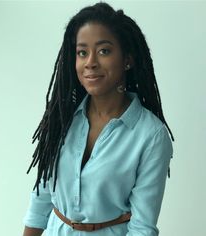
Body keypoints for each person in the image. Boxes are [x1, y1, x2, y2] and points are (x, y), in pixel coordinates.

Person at [22, 2, 174, 236]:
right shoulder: (62, 119)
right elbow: (41, 199)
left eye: (104, 51)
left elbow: (142, 227)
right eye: (82, 52)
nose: (90, 62)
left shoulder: (151, 136)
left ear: (127, 59)